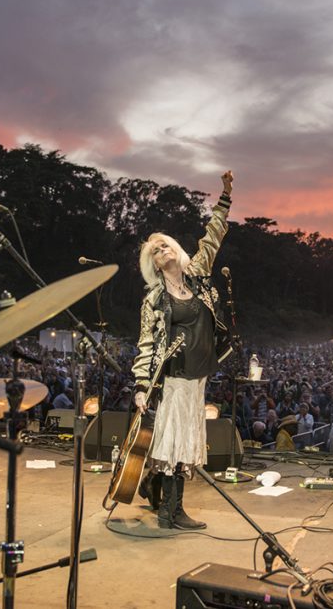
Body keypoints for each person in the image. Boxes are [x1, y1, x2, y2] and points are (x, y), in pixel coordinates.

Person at [132, 170, 234, 530]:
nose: (163, 250)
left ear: (176, 250)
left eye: (166, 245)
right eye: (156, 251)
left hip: (198, 377)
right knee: (173, 445)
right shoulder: (155, 299)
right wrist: (141, 386)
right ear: (154, 263)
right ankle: (168, 512)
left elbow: (213, 238)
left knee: (187, 442)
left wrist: (224, 199)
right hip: (172, 379)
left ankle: (171, 509)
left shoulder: (199, 278)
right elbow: (146, 344)